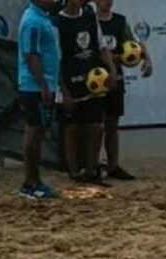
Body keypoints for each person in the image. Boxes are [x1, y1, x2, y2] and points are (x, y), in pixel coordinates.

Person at [54, 0, 117, 184]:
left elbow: (101, 46)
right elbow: (56, 59)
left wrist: (111, 68)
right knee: (71, 129)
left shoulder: (90, 17)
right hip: (69, 83)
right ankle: (74, 172)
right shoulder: (57, 23)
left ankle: (92, 170)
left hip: (92, 81)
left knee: (95, 127)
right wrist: (63, 91)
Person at [94, 0, 150, 181]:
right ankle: (92, 164)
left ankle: (113, 165)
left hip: (115, 80)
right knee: (95, 126)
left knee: (112, 124)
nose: (107, 2)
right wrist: (116, 57)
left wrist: (147, 59)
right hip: (95, 80)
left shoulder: (120, 21)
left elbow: (136, 43)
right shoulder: (90, 21)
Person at [16, 0, 60, 199]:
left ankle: (35, 179)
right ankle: (30, 182)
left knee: (38, 131)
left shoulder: (42, 17)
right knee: (33, 132)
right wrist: (42, 84)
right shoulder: (32, 20)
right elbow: (31, 55)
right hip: (34, 87)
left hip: (44, 84)